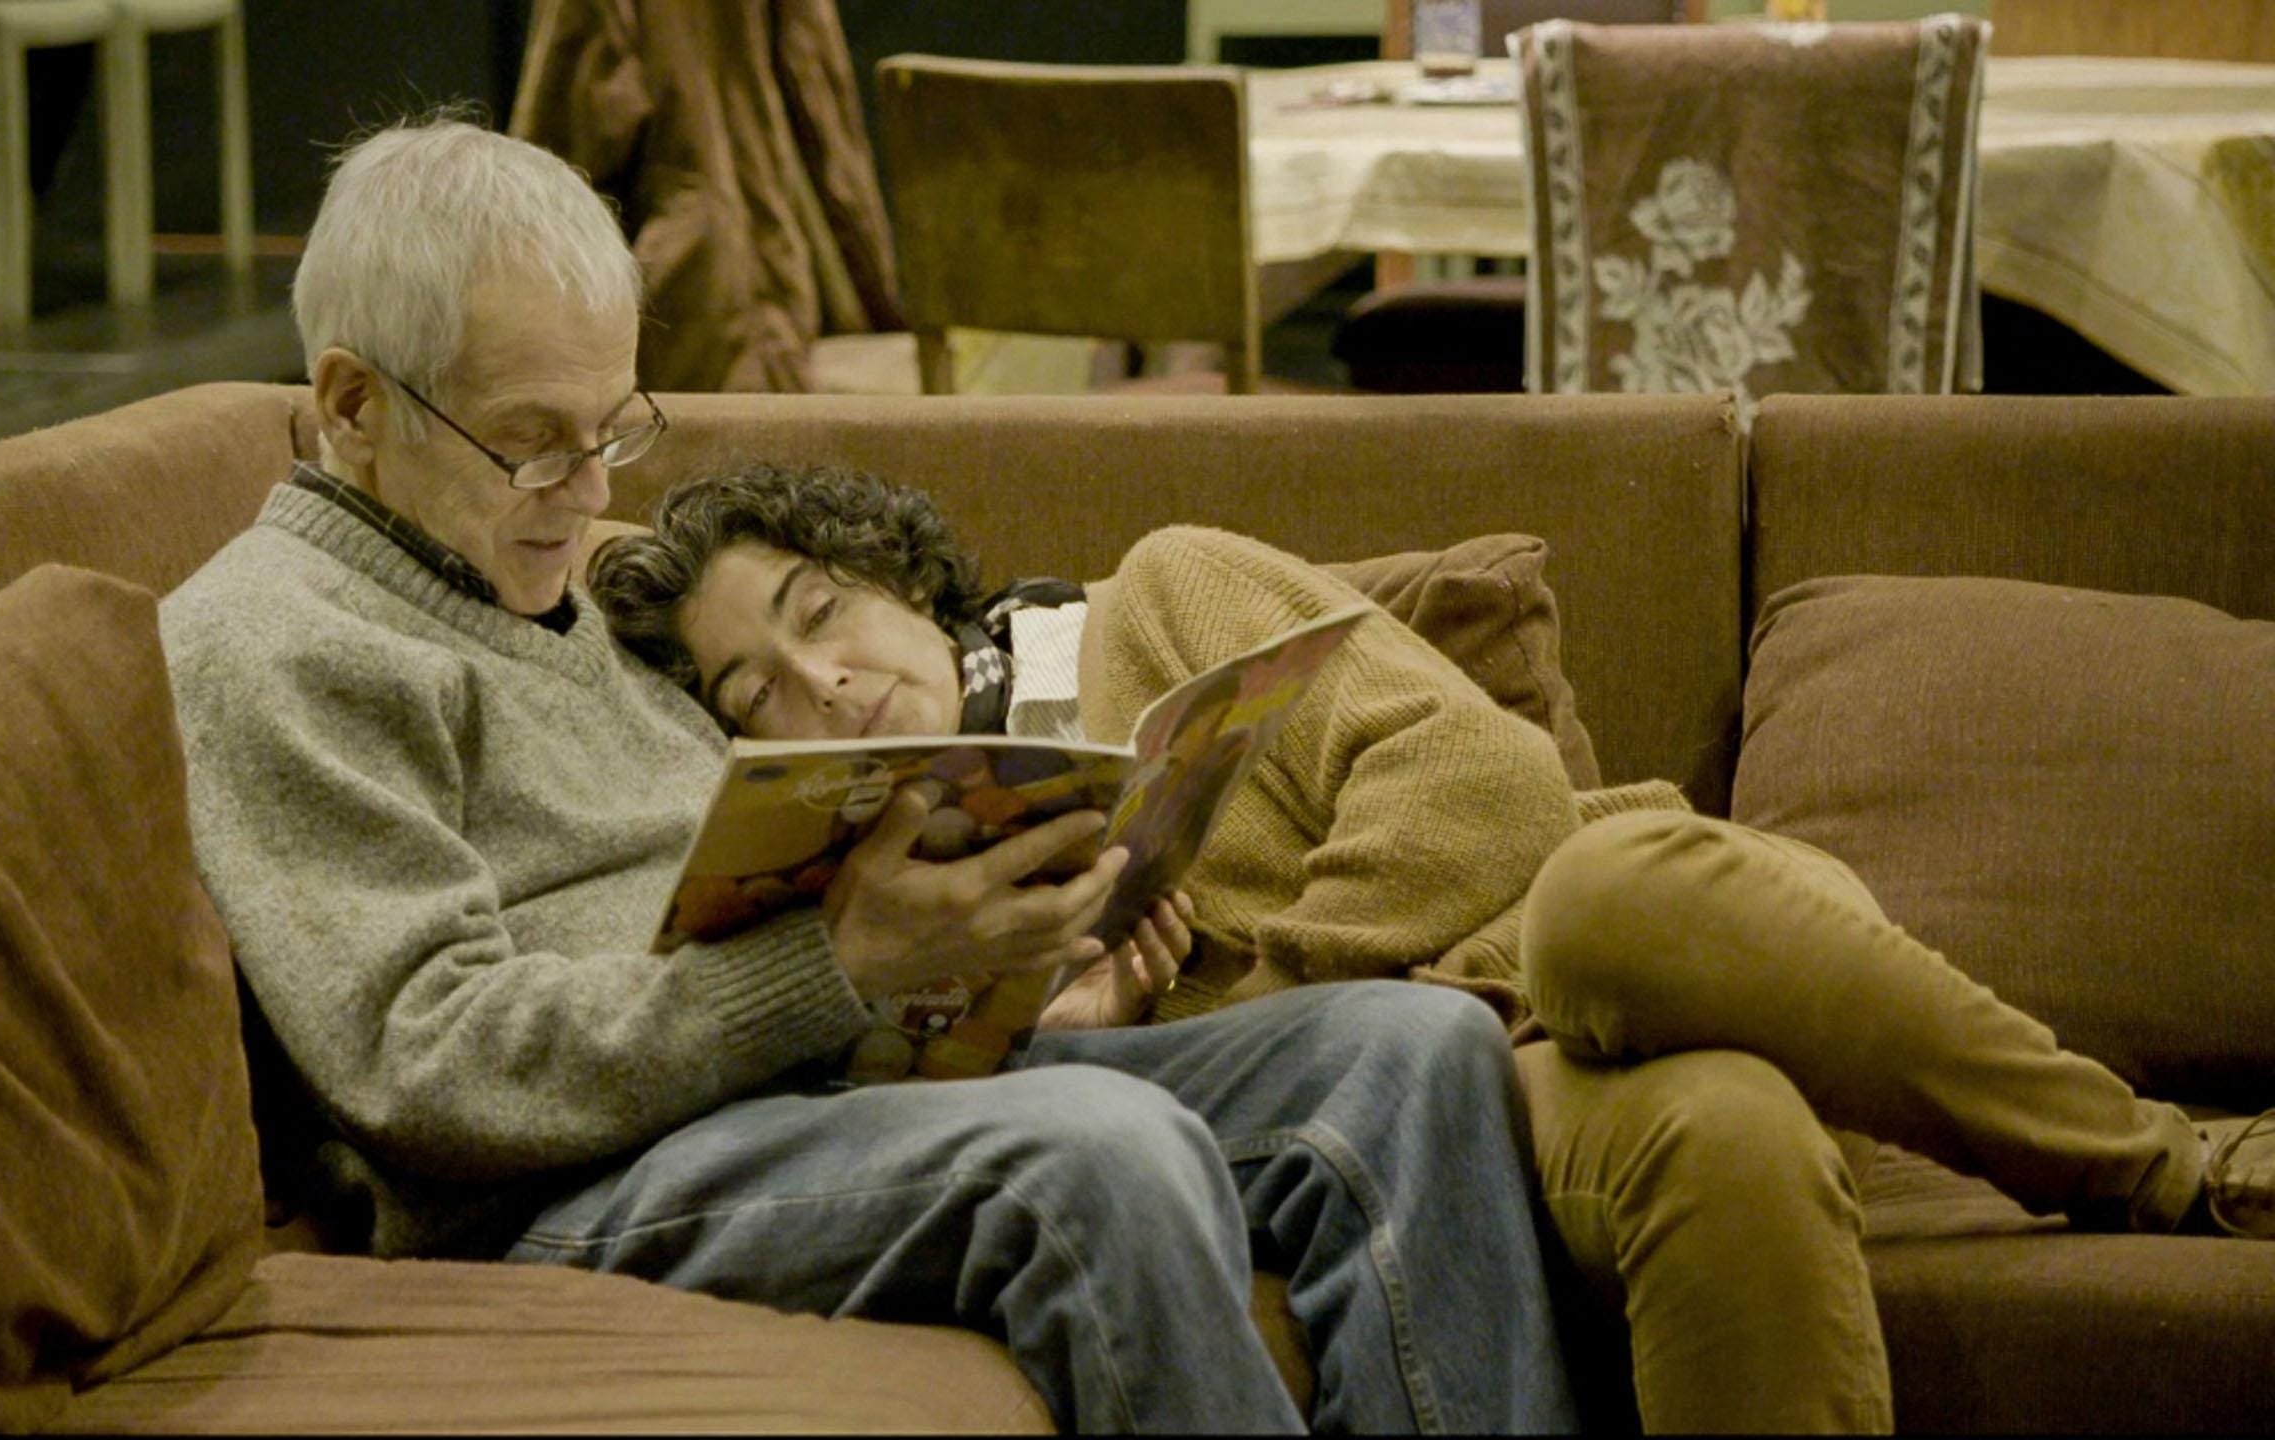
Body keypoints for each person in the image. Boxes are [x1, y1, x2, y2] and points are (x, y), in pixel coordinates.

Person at [157, 116, 1580, 1435]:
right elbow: (425, 1067)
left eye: (613, 429)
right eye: (533, 442)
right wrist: (835, 963)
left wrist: (978, 956)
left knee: (1410, 1056)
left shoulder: (541, 582)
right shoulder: (273, 641)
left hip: (811, 1094)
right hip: (565, 1185)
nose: (591, 494)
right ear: (352, 402)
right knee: (1097, 1153)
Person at [587, 460, 2275, 1435]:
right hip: (1492, 1100)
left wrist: (1275, 985)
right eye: (755, 690)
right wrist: (1097, 1026)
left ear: (889, 570)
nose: (821, 684)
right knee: (1729, 1140)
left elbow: (1485, 785)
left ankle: (2160, 1164)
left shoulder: (1156, 600)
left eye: (818, 615)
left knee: (1611, 898)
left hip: (1611, 956)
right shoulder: (860, 902)